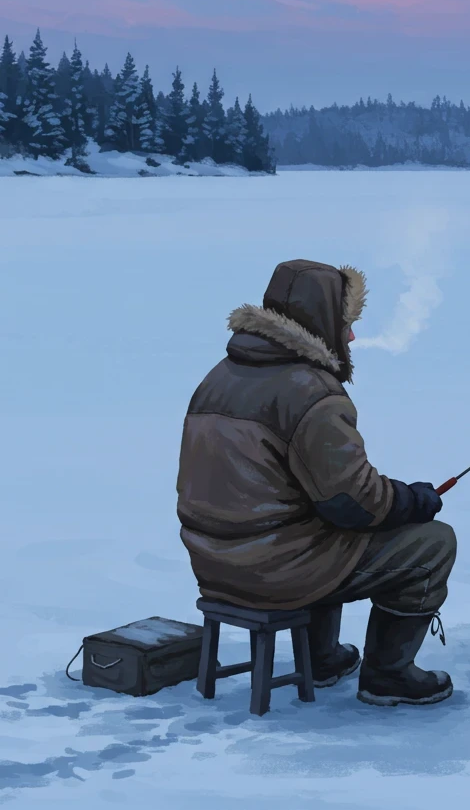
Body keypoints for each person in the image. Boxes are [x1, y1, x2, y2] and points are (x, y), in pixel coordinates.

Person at [176, 258, 455, 707]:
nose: (351, 337)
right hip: (274, 569)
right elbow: (353, 501)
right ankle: (388, 675)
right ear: (321, 322)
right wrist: (413, 500)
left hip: (212, 561)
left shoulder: (218, 378)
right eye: (345, 324)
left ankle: (323, 659)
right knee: (433, 544)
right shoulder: (311, 392)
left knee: (315, 524)